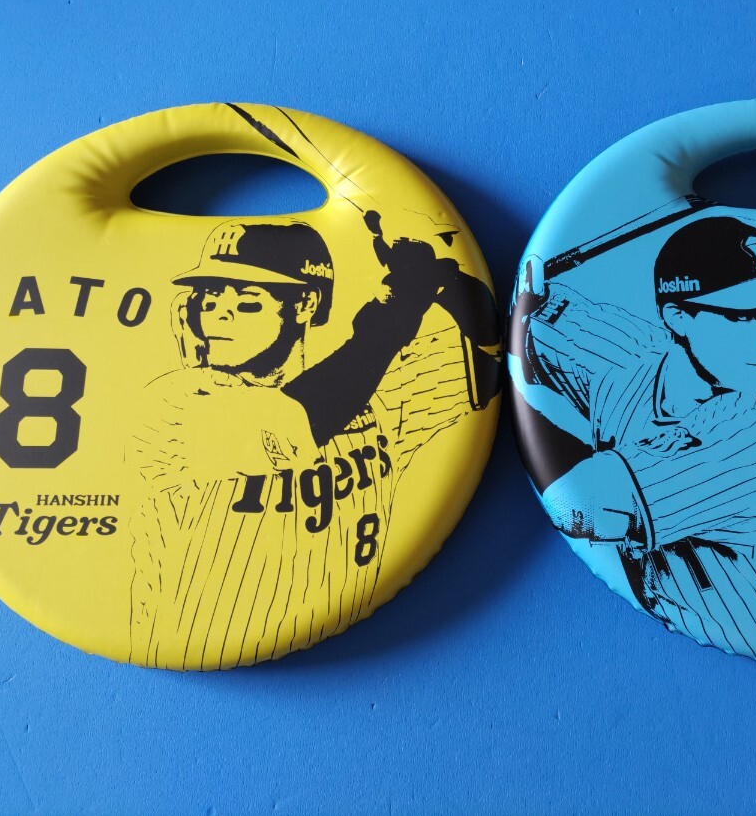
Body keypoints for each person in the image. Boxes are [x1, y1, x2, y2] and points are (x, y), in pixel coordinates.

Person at [511, 214, 756, 664]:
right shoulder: (633, 363)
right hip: (686, 639)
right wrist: (531, 297)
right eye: (742, 316)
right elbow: (548, 315)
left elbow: (576, 507)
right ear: (678, 318)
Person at [128, 217, 498, 669]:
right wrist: (398, 305)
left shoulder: (377, 392)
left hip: (365, 650)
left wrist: (444, 278)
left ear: (305, 303)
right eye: (209, 298)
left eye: (246, 300)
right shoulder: (173, 407)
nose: (218, 315)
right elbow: (294, 422)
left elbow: (499, 357)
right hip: (207, 654)